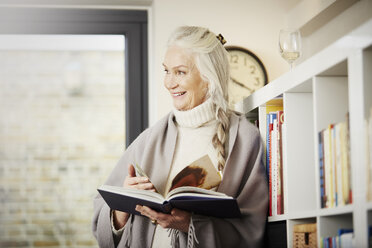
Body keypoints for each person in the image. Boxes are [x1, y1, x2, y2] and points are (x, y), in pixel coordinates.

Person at [92, 26, 268, 248]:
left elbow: (252, 230)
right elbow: (102, 222)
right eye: (167, 71)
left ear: (209, 77)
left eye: (180, 72)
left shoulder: (244, 139)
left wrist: (191, 225)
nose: (169, 83)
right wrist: (121, 208)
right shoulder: (149, 139)